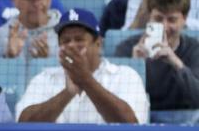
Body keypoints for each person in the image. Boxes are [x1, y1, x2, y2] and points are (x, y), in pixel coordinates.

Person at [17, 8, 149, 124]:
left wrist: (86, 80)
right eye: (65, 41)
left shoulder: (125, 76)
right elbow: (23, 123)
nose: (71, 45)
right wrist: (67, 93)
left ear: (98, 43)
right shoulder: (44, 78)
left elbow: (132, 124)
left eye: (79, 39)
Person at [115, 0, 199, 111]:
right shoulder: (126, 48)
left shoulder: (195, 49)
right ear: (149, 16)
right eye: (158, 18)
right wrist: (135, 67)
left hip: (185, 121)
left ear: (185, 19)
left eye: (172, 20)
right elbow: (118, 103)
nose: (164, 27)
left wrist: (176, 63)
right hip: (142, 119)